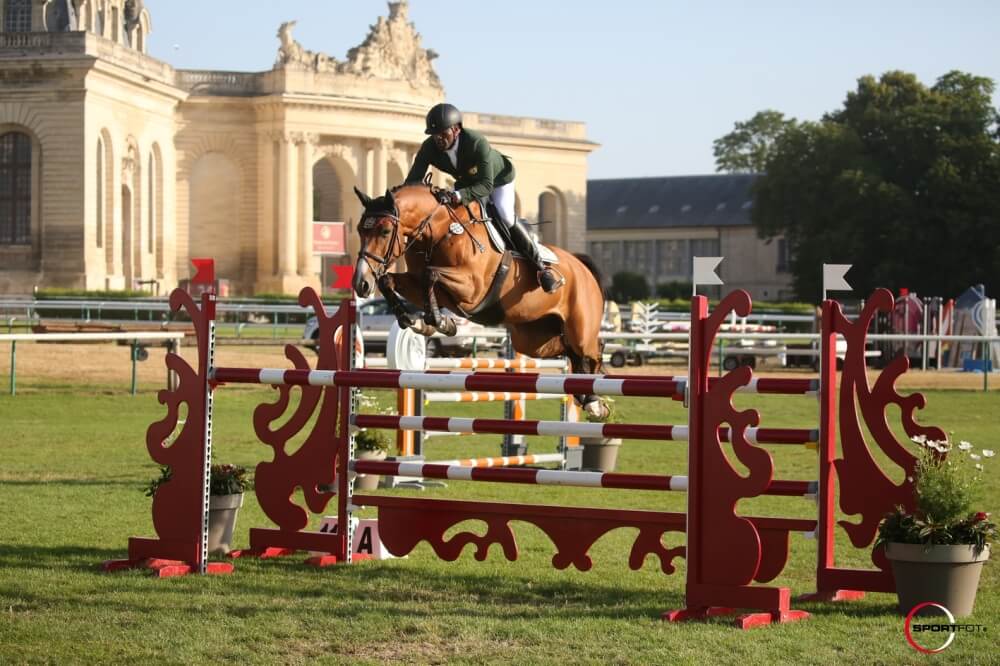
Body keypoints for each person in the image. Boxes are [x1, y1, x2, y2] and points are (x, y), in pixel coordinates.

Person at [405, 103, 562, 293]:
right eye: (434, 134)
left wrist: (457, 195)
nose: (438, 138)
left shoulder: (476, 142)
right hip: (467, 182)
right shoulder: (430, 147)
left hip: (498, 179)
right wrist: (401, 202)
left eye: (443, 133)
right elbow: (413, 181)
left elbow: (486, 186)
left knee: (504, 214)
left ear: (456, 129)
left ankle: (541, 268)